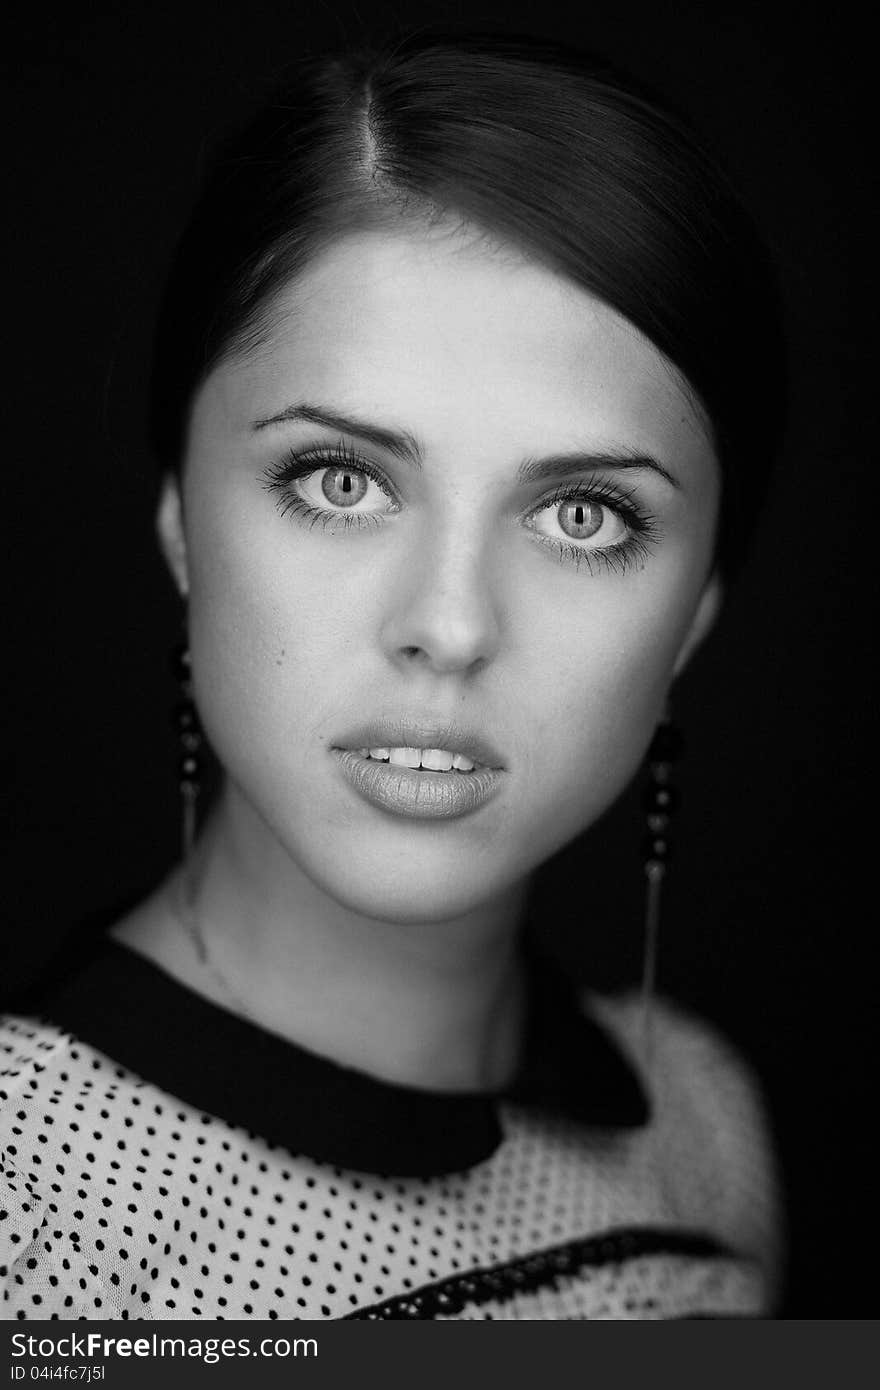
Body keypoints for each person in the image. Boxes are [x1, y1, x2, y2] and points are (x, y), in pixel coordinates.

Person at [1, 28, 785, 1321]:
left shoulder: (703, 1124)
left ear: (695, 614)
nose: (451, 622)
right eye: (341, 480)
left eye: (583, 514)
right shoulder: (34, 1215)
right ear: (182, 522)